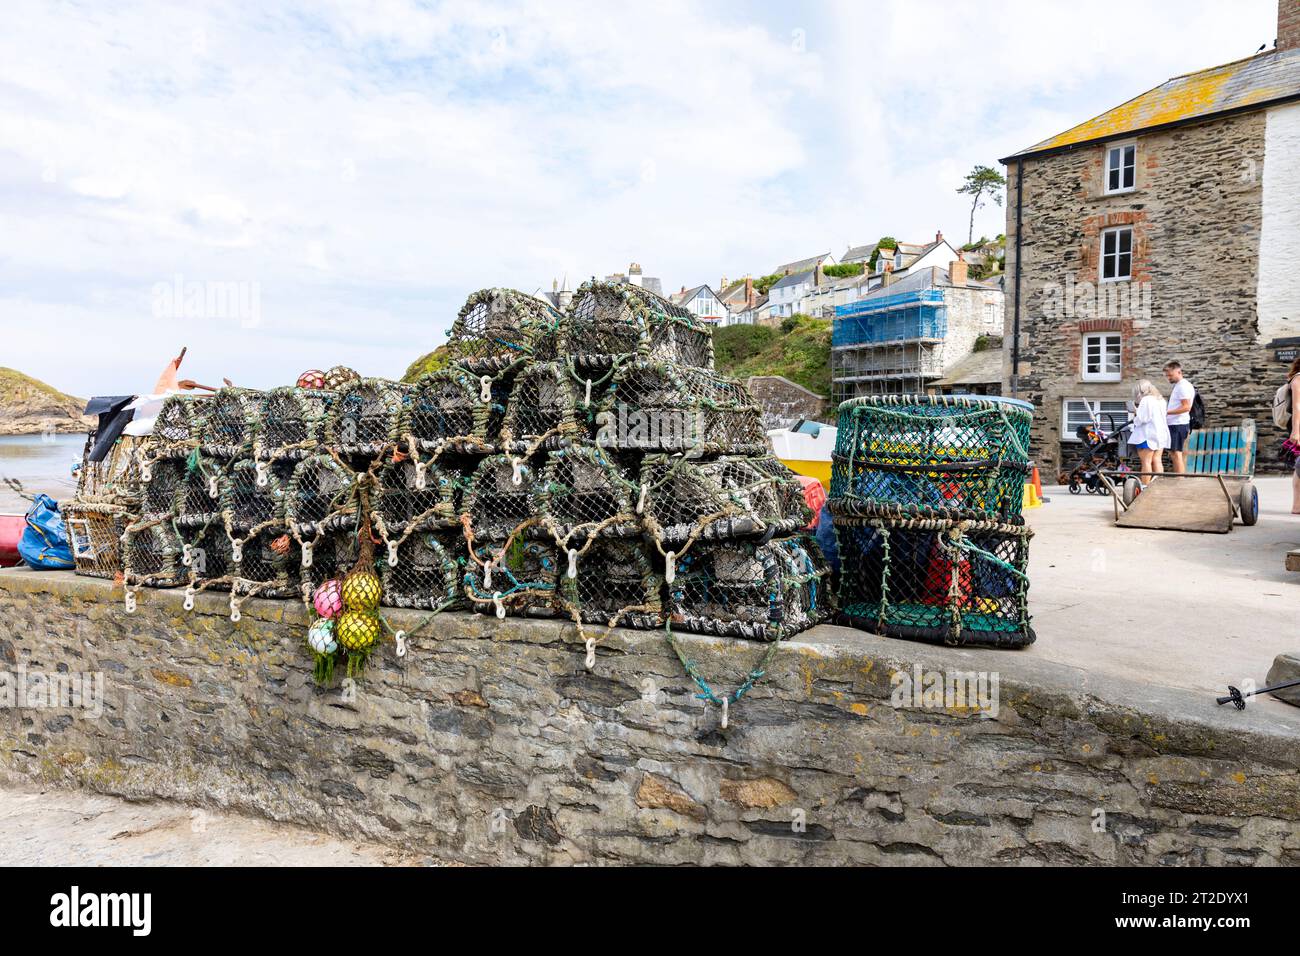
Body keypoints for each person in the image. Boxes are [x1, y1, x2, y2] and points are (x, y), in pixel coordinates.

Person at [1128, 379, 1170, 486]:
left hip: (1147, 435)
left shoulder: (1146, 400)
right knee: (1157, 460)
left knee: (1146, 462)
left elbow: (1143, 419)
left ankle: (1145, 487)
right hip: (1160, 434)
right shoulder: (1161, 400)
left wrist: (1136, 413)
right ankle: (1159, 485)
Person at [1163, 361, 1196, 474]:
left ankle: (1180, 480)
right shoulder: (1180, 386)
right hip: (1176, 424)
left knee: (1176, 453)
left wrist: (1166, 412)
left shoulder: (1183, 386)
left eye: (1170, 375)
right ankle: (1179, 479)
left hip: (1178, 424)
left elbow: (1186, 407)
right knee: (1174, 453)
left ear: (1179, 372)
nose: (1168, 378)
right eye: (1167, 375)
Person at [1284, 355, 1300, 514]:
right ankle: (1297, 505)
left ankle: (1297, 505)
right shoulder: (1298, 379)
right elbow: (1297, 407)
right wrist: (1296, 431)